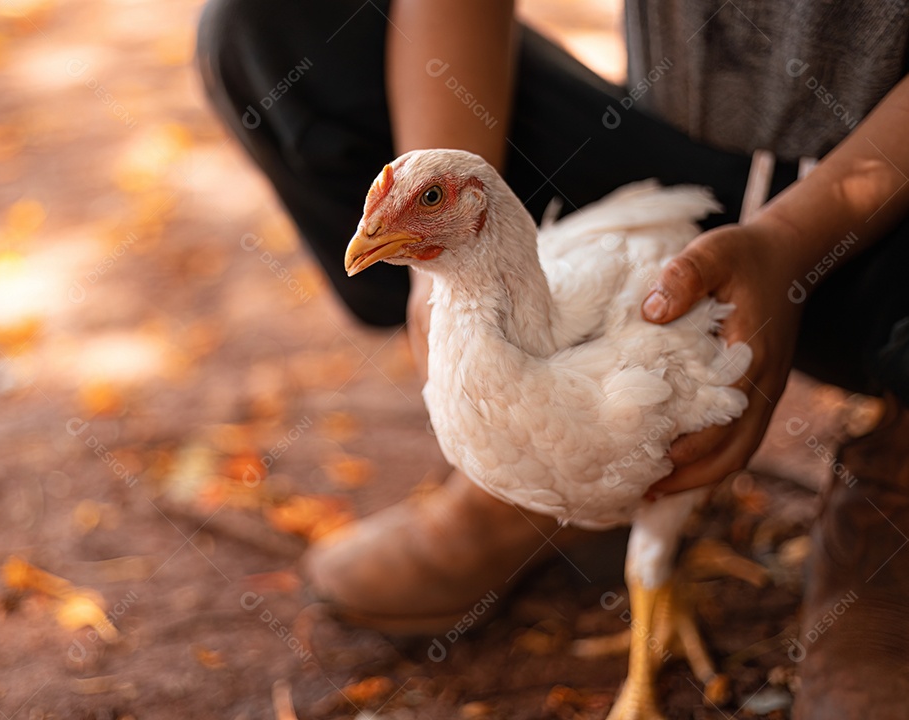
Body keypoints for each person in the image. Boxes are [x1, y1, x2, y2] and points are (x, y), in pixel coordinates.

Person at [196, 1, 909, 715]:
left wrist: (789, 242)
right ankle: (528, 490)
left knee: (652, 473)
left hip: (883, 205)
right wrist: (429, 269)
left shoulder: (637, 381)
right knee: (271, 24)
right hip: (669, 136)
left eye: (433, 201)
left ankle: (896, 473)